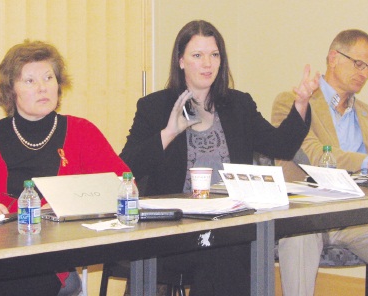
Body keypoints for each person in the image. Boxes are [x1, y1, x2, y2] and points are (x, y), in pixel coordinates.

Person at [120, 20, 318, 296]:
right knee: (223, 257)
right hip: (172, 231)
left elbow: (281, 145)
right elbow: (126, 168)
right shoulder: (156, 107)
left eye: (214, 55)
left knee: (228, 253)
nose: (207, 64)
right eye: (197, 55)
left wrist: (301, 104)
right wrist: (169, 132)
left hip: (230, 227)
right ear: (180, 61)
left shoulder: (238, 105)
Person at [0, 40, 129, 296]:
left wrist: (67, 206)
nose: (43, 87)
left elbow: (124, 185)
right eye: (30, 81)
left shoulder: (82, 133)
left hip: (47, 256)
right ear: (11, 90)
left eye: (49, 78)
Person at [271, 29, 368, 296]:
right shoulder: (295, 101)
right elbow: (314, 157)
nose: (364, 73)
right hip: (307, 216)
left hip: (358, 219)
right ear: (333, 58)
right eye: (359, 64)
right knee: (298, 238)